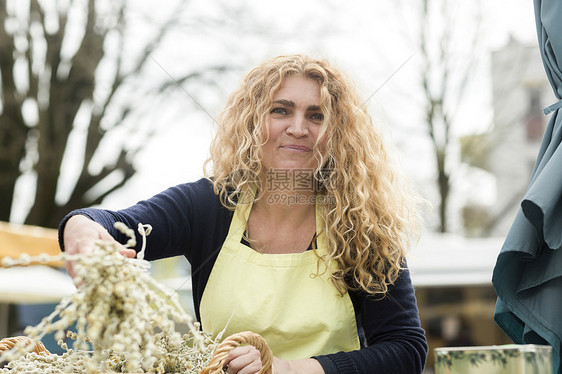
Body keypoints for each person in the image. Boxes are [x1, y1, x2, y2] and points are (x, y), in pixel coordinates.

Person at [59, 54, 428, 374]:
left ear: (337, 135)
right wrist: (81, 230)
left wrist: (286, 368)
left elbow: (405, 351)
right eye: (280, 110)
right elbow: (111, 224)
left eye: (316, 116)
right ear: (253, 122)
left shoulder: (362, 225)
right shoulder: (209, 205)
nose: (298, 128)